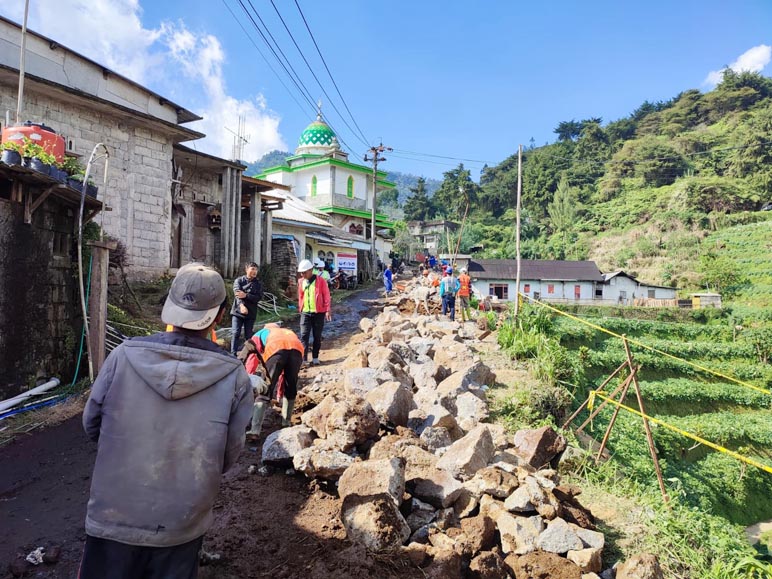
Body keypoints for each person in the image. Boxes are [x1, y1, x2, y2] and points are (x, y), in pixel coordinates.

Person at [80, 263, 253, 579]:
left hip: (112, 514)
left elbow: (92, 425)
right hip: (180, 525)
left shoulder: (122, 356)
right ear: (219, 315)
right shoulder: (234, 376)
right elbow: (228, 456)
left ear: (169, 306)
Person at [238, 323, 304, 439]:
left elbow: (251, 358)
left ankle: (255, 430)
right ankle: (286, 423)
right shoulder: (287, 332)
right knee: (291, 386)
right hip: (297, 350)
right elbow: (284, 376)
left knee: (265, 389)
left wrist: (245, 375)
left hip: (276, 349)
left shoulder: (261, 333)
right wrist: (279, 394)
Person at [297, 259, 331, 365]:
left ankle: (315, 357)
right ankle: (304, 359)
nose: (302, 274)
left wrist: (327, 310)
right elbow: (301, 295)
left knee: (317, 335)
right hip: (305, 312)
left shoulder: (321, 281)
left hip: (318, 313)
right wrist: (300, 308)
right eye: (301, 273)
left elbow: (326, 295)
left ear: (311, 270)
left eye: (304, 272)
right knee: (304, 335)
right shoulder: (301, 281)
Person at [230, 262, 264, 355]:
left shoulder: (258, 284)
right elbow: (237, 294)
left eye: (256, 270)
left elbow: (258, 297)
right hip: (238, 312)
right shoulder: (239, 281)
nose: (254, 271)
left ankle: (247, 356)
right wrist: (241, 305)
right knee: (235, 333)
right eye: (252, 269)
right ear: (246, 269)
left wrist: (246, 295)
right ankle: (233, 354)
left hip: (251, 313)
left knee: (248, 336)